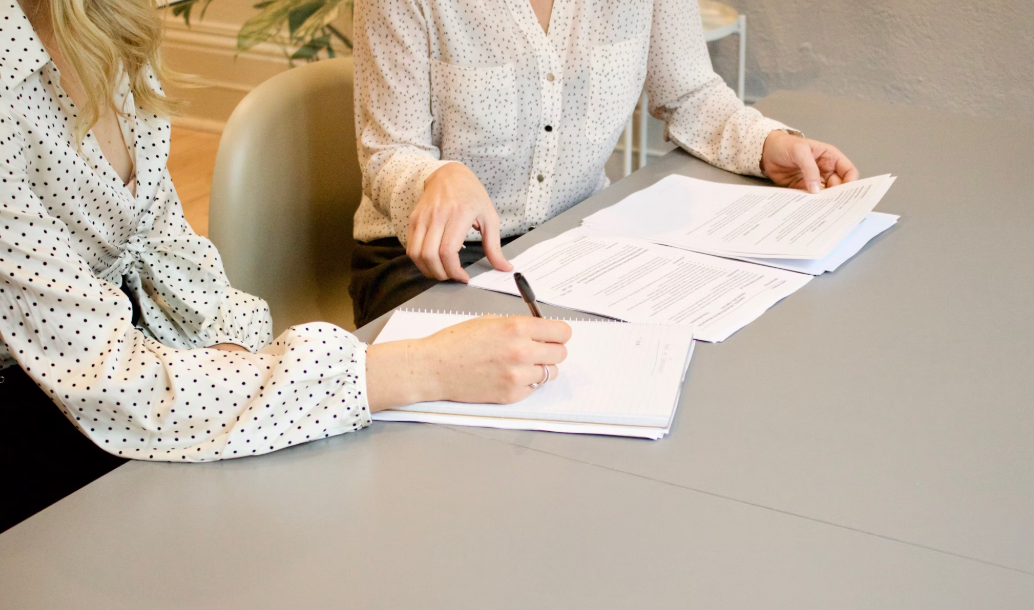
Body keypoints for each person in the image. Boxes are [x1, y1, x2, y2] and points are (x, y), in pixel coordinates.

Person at [0, 0, 570, 533]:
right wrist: (425, 368)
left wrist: (231, 354)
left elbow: (166, 247)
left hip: (129, 367)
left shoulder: (108, 23)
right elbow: (112, 381)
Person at [350, 0, 861, 326]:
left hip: (574, 243)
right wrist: (437, 177)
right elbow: (388, 152)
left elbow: (689, 92)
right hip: (428, 260)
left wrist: (766, 142)